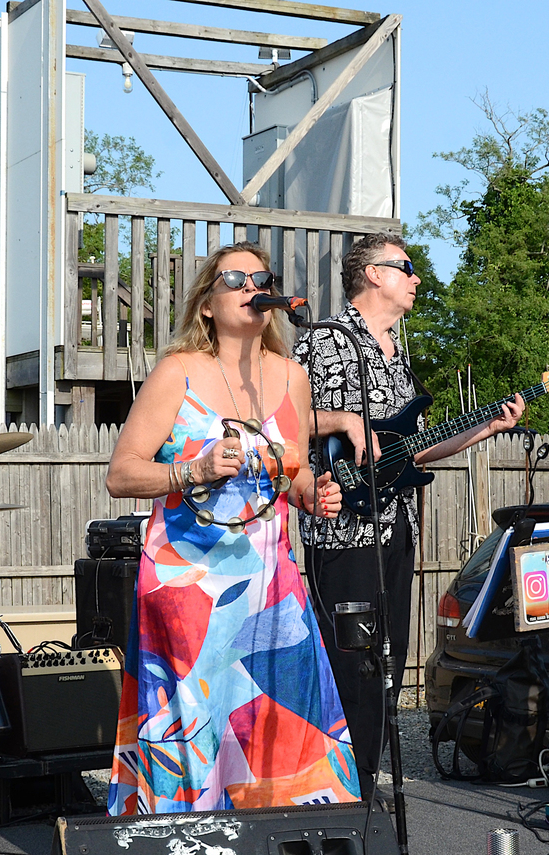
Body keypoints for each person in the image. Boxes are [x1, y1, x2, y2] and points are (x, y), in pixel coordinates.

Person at [104, 242, 355, 814]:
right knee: (196, 730)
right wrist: (192, 468)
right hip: (190, 583)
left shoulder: (292, 376)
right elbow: (121, 474)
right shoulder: (178, 372)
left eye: (259, 278)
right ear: (207, 306)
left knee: (287, 725)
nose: (251, 287)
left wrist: (314, 493)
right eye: (234, 279)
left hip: (271, 581)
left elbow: (293, 470)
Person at [295, 233, 523, 800]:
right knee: (348, 661)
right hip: (342, 525)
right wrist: (344, 421)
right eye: (407, 267)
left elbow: (408, 451)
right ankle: (335, 790)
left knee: (385, 662)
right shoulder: (328, 341)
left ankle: (366, 787)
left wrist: (484, 429)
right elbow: (283, 417)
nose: (417, 278)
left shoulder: (397, 352)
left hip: (396, 525)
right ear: (372, 274)